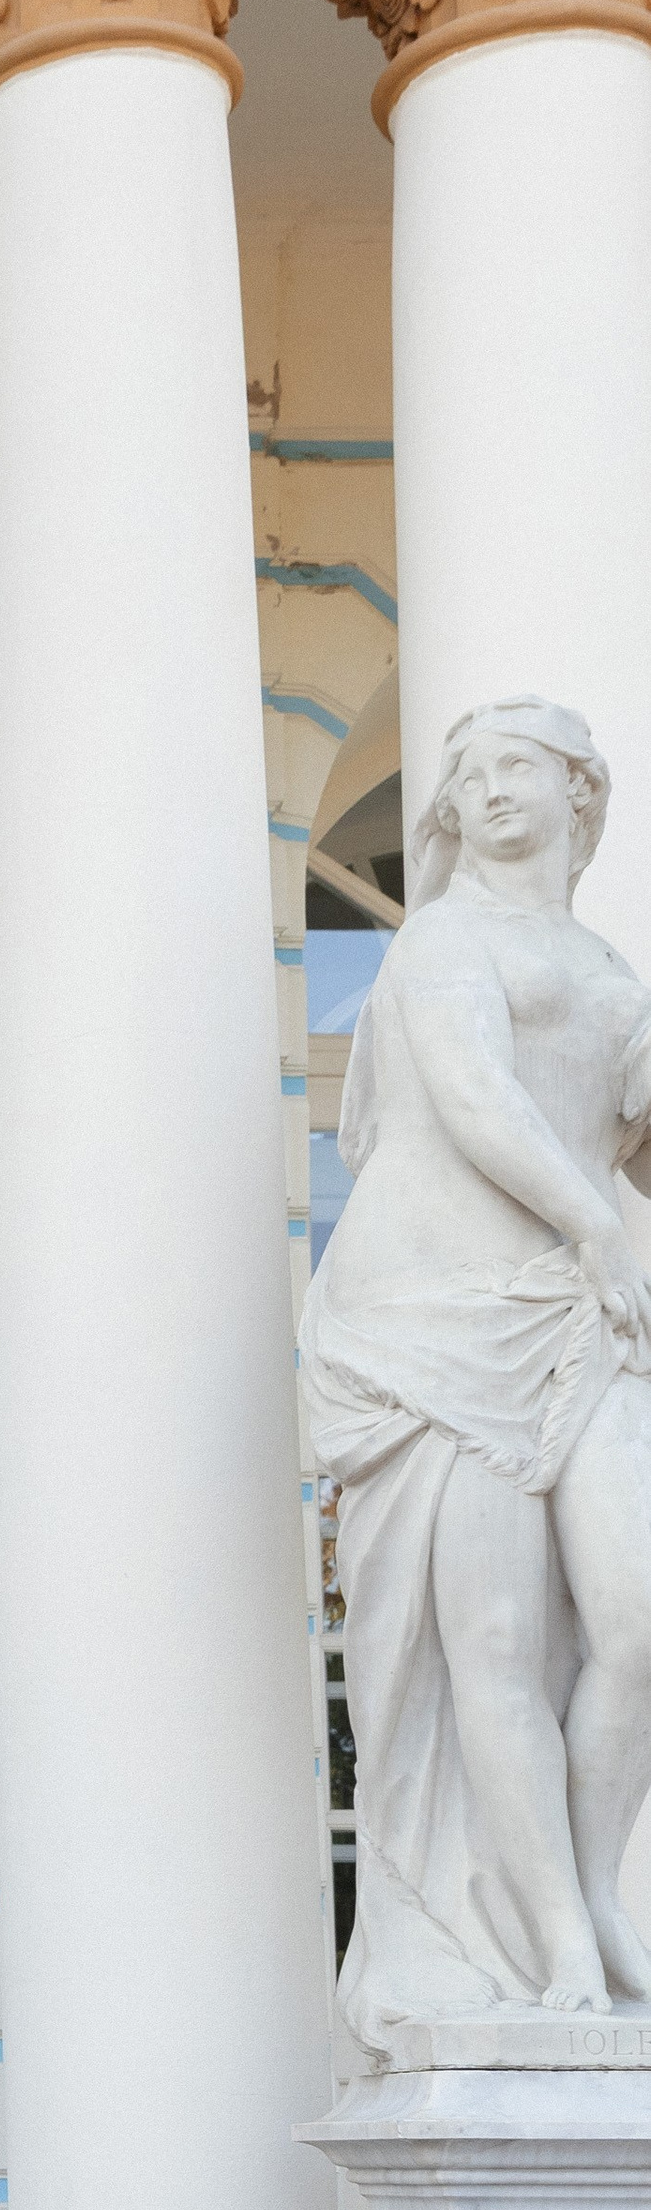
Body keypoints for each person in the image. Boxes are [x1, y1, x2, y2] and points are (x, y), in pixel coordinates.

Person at [301, 697, 651, 2049]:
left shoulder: (607, 965)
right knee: (492, 1643)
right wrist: (595, 1227)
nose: (495, 790)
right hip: (438, 1320)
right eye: (473, 775)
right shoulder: (440, 938)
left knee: (634, 1621)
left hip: (573, 1317)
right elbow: (474, 1095)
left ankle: (591, 1889)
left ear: (580, 790)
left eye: (521, 766)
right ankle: (557, 1937)